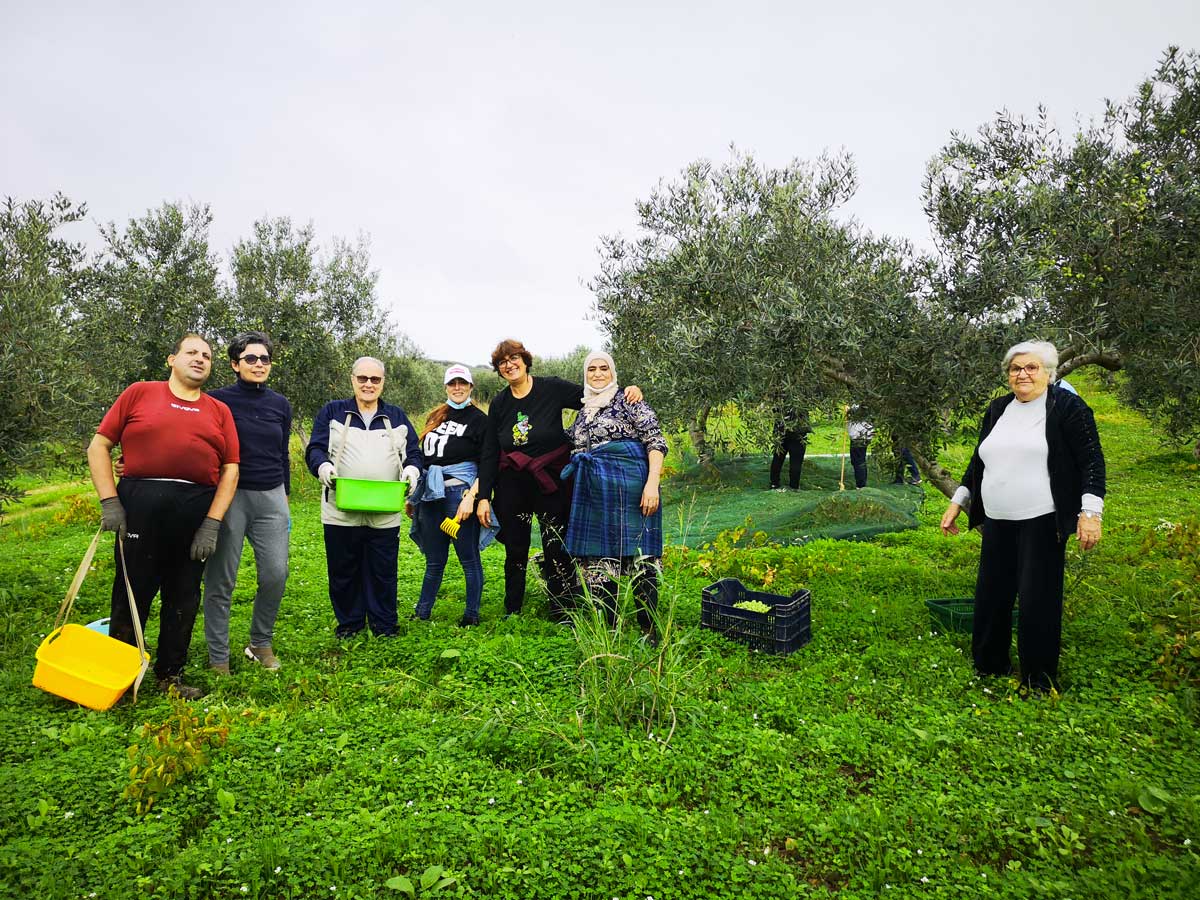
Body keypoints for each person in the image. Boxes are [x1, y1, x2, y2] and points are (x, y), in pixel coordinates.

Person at [940, 340, 1105, 693]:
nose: (1023, 374)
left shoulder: (1067, 408)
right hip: (998, 518)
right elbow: (979, 460)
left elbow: (1092, 461)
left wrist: (1090, 512)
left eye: (1031, 367)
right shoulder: (998, 408)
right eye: (1016, 369)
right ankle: (990, 664)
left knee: (1037, 599)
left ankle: (1039, 678)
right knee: (992, 594)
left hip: (1042, 519)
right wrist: (958, 500)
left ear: (1048, 372)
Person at [86, 334, 240, 699]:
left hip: (195, 509)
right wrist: (110, 502)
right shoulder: (139, 393)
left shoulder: (219, 411)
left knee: (184, 595)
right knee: (131, 591)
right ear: (172, 359)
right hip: (140, 503)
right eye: (191, 352)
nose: (200, 359)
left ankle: (169, 676)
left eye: (207, 355)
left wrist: (212, 523)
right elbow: (99, 446)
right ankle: (121, 677)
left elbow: (231, 468)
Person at [475, 339, 641, 620]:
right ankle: (512, 608)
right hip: (513, 483)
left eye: (514, 358)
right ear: (499, 370)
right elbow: (491, 451)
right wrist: (482, 497)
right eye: (502, 362)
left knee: (556, 544)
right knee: (516, 547)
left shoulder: (550, 387)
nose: (509, 365)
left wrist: (627, 391)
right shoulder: (500, 403)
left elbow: (594, 393)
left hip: (550, 479)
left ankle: (561, 608)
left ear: (525, 361)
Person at [305, 357, 423, 638]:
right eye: (363, 379)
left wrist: (411, 472)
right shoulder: (333, 412)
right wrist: (323, 466)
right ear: (352, 380)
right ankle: (350, 625)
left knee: (383, 570)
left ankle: (384, 626)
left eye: (375, 380)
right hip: (340, 508)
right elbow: (315, 449)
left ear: (383, 383)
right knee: (343, 570)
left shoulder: (396, 416)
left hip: (385, 510)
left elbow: (415, 453)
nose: (368, 384)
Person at [203, 331, 292, 674]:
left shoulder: (280, 404)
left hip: (271, 497)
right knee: (221, 579)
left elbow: (282, 454)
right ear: (235, 365)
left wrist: (283, 499)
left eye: (264, 359)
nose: (259, 364)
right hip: (229, 496)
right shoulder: (216, 401)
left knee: (276, 573)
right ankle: (219, 657)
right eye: (251, 359)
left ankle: (260, 642)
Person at [562, 351, 667, 635]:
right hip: (596, 494)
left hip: (632, 489)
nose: (597, 374)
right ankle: (609, 630)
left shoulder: (629, 400)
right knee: (600, 558)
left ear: (613, 372)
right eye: (592, 369)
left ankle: (650, 630)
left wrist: (652, 484)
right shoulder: (584, 412)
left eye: (603, 368)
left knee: (640, 557)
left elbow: (656, 441)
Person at [408, 364, 496, 626]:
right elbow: (424, 457)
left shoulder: (480, 421)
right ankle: (422, 612)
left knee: (468, 558)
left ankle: (471, 615)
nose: (457, 388)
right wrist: (413, 496)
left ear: (470, 387)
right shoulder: (436, 416)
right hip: (430, 494)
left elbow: (488, 462)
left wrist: (473, 497)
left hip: (460, 494)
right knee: (434, 559)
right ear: (446, 387)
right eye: (452, 383)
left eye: (462, 383)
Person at [769, 409, 811, 490]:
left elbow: (775, 410)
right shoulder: (802, 398)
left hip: (781, 431)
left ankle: (774, 483)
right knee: (795, 462)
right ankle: (794, 486)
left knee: (778, 459)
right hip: (798, 432)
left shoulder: (779, 398)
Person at [847, 405, 874, 489]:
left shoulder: (859, 405)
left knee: (858, 461)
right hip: (863, 435)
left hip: (858, 436)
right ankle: (861, 483)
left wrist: (848, 411)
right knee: (859, 460)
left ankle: (860, 485)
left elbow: (855, 413)